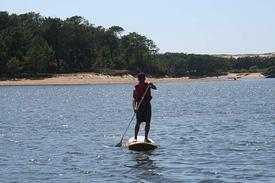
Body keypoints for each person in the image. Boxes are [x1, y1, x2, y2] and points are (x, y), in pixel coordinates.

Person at [132, 72, 157, 143]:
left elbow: (155, 88)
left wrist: (151, 85)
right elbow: (134, 101)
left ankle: (146, 138)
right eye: (140, 80)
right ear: (138, 80)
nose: (142, 81)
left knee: (148, 122)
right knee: (138, 122)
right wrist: (135, 108)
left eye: (143, 80)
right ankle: (135, 138)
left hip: (147, 106)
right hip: (139, 106)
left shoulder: (148, 85)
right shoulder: (136, 89)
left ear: (144, 79)